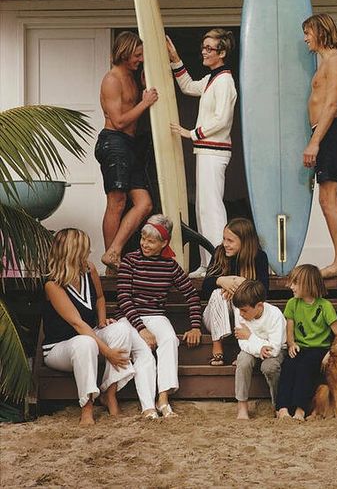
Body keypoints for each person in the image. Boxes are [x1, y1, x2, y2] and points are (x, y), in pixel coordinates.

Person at [42, 228, 134, 426]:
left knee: (122, 328)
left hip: (90, 336)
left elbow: (100, 298)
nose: (89, 251)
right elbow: (77, 323)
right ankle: (87, 406)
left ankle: (110, 393)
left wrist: (102, 321)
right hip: (60, 348)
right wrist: (108, 352)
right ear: (73, 251)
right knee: (85, 343)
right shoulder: (53, 285)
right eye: (85, 247)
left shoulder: (89, 269)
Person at [116, 214, 202, 419]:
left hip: (156, 316)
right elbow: (124, 298)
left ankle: (163, 399)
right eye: (143, 238)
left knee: (170, 340)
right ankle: (147, 406)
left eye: (151, 241)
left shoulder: (170, 266)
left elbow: (191, 294)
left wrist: (196, 325)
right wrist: (141, 329)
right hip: (129, 318)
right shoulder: (130, 261)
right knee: (144, 353)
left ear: (164, 242)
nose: (145, 244)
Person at [166, 29, 237, 277]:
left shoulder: (225, 81)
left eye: (209, 48)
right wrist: (175, 58)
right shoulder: (211, 79)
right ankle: (209, 265)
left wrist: (191, 133)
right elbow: (187, 86)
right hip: (206, 151)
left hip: (214, 152)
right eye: (203, 47)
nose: (204, 52)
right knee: (203, 210)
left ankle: (219, 266)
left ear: (222, 52)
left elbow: (222, 119)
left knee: (212, 209)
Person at [95, 31, 158, 273]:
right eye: (137, 55)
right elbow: (119, 120)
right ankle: (112, 259)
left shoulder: (132, 77)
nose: (140, 59)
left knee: (144, 204)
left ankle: (113, 252)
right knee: (117, 202)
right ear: (124, 52)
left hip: (130, 145)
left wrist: (143, 88)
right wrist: (145, 102)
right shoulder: (112, 79)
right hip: (114, 142)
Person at [302, 13, 337, 279]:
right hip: (325, 133)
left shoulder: (336, 61)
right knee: (325, 198)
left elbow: (331, 105)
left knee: (328, 198)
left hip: (331, 134)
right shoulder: (325, 62)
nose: (306, 38)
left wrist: (314, 142)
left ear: (320, 32)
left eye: (308, 32)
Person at [275, 264, 337, 420]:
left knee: (305, 367)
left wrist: (330, 353)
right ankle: (282, 408)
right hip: (300, 347)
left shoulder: (325, 306)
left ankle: (300, 409)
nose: (291, 286)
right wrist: (291, 344)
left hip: (320, 349)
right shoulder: (292, 303)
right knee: (288, 366)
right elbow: (289, 329)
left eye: (295, 283)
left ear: (308, 284)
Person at [202, 217, 269, 366]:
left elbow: (264, 291)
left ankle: (243, 349)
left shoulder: (259, 257)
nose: (225, 244)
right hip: (215, 317)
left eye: (230, 240)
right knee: (217, 293)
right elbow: (204, 290)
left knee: (242, 297)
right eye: (224, 239)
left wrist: (243, 285)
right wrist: (221, 281)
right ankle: (217, 347)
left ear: (244, 240)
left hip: (247, 318)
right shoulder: (219, 253)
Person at [232, 280, 286, 420]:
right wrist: (259, 347)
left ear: (259, 306)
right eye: (239, 310)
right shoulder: (241, 314)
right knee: (243, 360)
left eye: (244, 310)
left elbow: (273, 349)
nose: (241, 314)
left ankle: (277, 404)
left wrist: (250, 336)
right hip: (251, 350)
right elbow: (243, 343)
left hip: (275, 351)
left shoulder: (274, 315)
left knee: (270, 366)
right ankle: (242, 406)